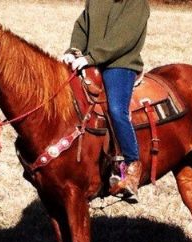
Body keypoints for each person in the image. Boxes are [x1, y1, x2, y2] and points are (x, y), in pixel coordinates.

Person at [63, 0, 150, 200]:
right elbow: (82, 25)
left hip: (120, 63)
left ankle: (131, 166)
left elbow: (123, 38)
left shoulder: (136, 3)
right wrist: (74, 50)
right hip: (89, 61)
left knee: (117, 109)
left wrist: (91, 57)